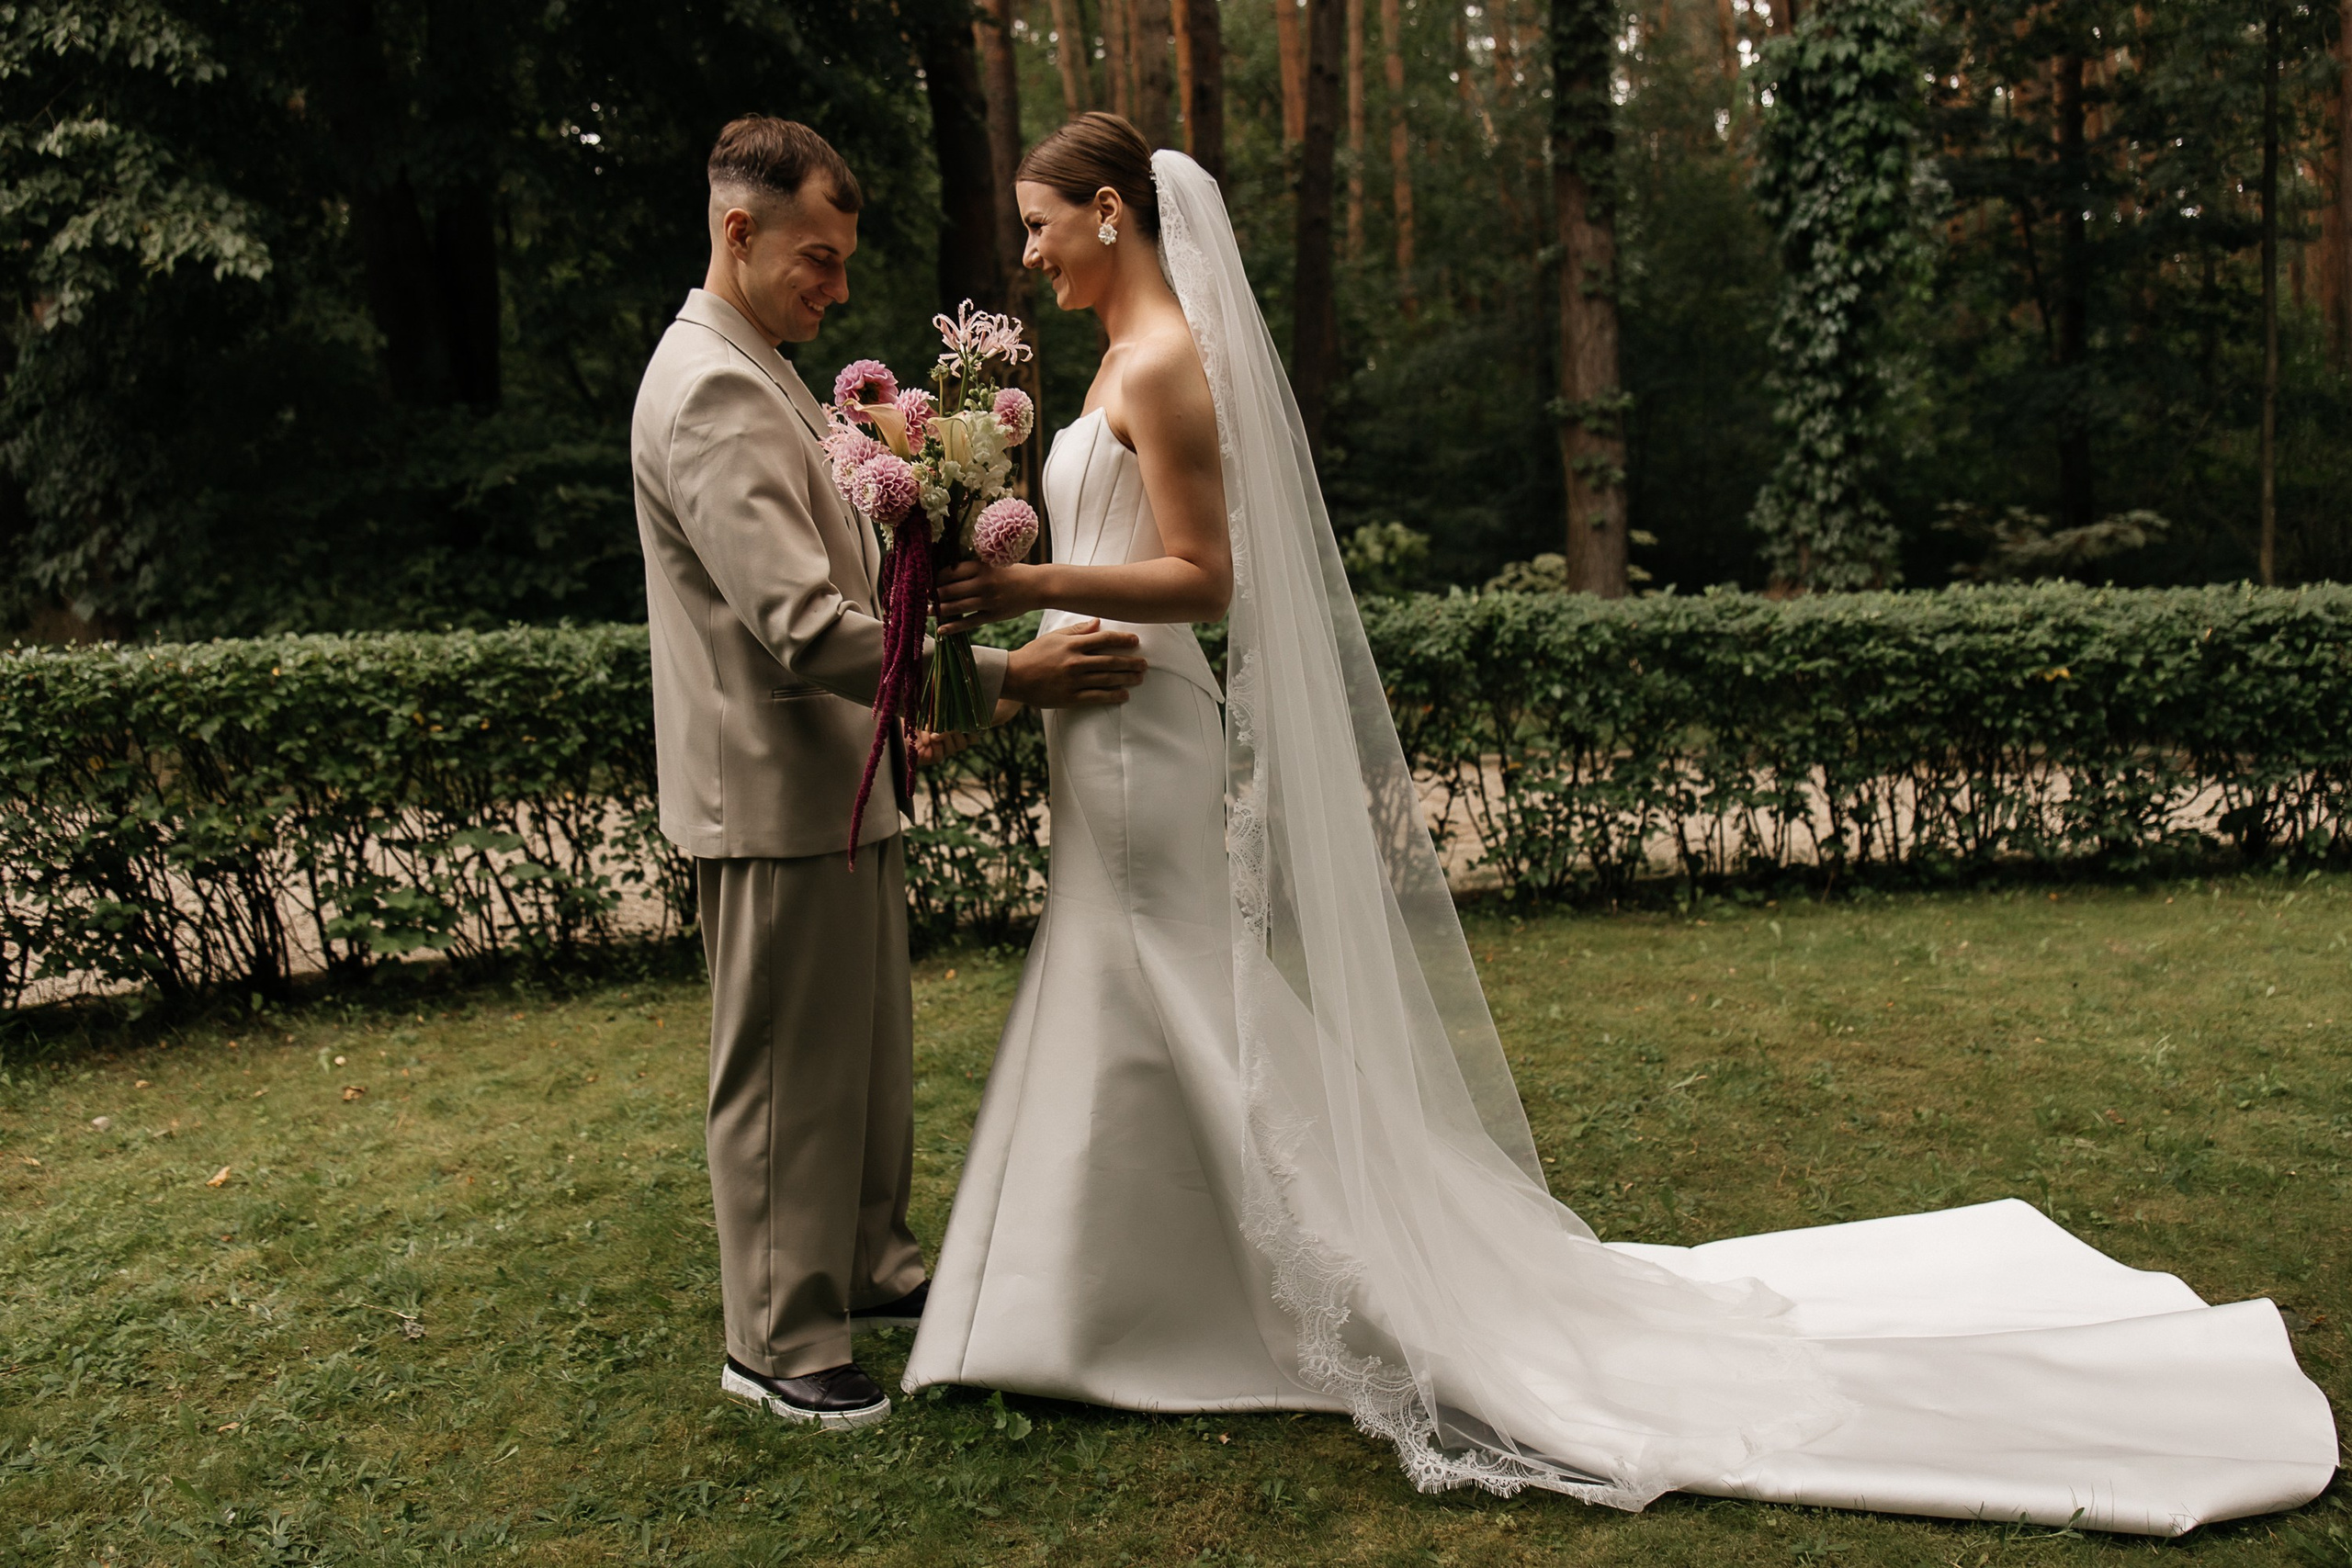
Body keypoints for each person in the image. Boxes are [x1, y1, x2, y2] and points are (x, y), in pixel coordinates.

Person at [901, 113, 2337, 1532]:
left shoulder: (1166, 364)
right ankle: (1123, 1287)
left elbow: (1207, 578)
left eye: (1040, 224)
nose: (1027, 252)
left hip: (1142, 726)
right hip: (1097, 715)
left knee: (1158, 979)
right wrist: (1002, 637)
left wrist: (1027, 589)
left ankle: (1113, 1301)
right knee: (1149, 982)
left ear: (1108, 211)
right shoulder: (1112, 361)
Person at [630, 116, 1149, 1432]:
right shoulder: (709, 388)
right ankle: (776, 1337)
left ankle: (865, 1264)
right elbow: (800, 626)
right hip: (770, 786)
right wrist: (1006, 678)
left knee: (861, 1061)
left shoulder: (767, 371)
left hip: (843, 770)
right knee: (783, 1077)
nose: (838, 287)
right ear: (737, 231)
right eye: (818, 257)